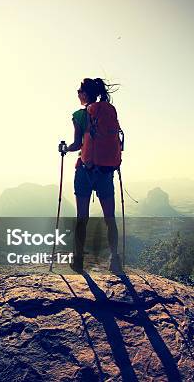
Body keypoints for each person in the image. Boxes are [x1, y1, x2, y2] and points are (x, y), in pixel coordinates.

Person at [60, 78, 123, 274]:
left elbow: (77, 143)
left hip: (85, 171)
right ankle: (115, 259)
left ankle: (78, 260)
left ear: (85, 94)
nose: (78, 93)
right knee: (110, 218)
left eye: (79, 90)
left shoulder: (80, 115)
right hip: (105, 172)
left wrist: (65, 149)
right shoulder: (109, 112)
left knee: (82, 218)